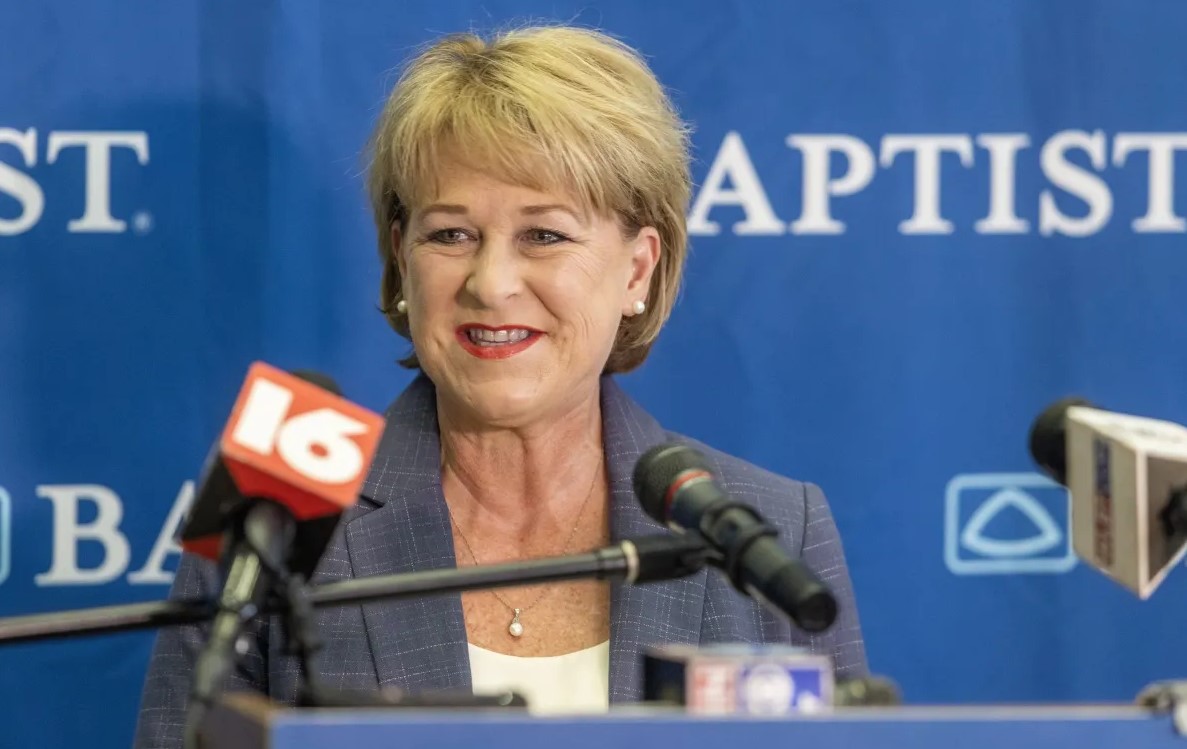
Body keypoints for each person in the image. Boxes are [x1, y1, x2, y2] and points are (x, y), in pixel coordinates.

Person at [133, 24, 866, 747]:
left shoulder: (771, 528)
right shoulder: (276, 508)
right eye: (450, 235)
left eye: (543, 235)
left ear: (637, 270)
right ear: (402, 257)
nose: (490, 283)